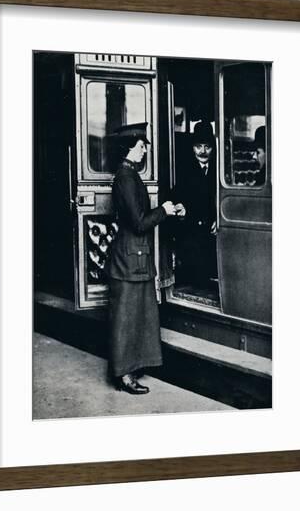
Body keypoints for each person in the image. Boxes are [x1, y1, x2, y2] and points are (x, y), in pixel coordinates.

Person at [105, 122, 177, 395]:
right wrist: (164, 210)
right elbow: (138, 223)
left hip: (134, 258)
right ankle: (124, 375)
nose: (145, 150)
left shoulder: (129, 175)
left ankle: (131, 368)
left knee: (136, 317)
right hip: (129, 259)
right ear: (129, 148)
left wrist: (166, 211)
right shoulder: (126, 178)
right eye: (141, 146)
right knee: (126, 319)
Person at [170, 120, 217, 288]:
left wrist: (218, 219)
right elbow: (176, 197)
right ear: (192, 148)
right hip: (191, 234)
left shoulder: (220, 171)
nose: (203, 152)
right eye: (198, 146)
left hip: (214, 233)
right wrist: (181, 207)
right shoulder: (183, 171)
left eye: (207, 146)